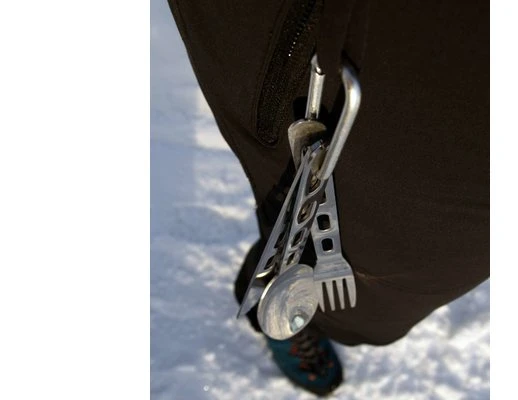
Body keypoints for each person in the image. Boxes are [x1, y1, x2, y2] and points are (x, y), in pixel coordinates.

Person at [167, 0, 488, 395]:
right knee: (310, 255)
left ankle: (290, 304)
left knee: (383, 309)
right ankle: (280, 313)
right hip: (337, 63)